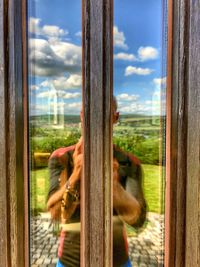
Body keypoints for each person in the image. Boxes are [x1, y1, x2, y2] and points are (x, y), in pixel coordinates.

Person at [47, 99, 147, 267]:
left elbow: (137, 220)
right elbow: (56, 214)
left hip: (116, 260)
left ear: (115, 118)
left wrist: (114, 185)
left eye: (104, 114)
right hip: (71, 260)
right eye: (90, 113)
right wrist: (76, 174)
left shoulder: (129, 162)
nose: (96, 120)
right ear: (81, 116)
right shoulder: (61, 158)